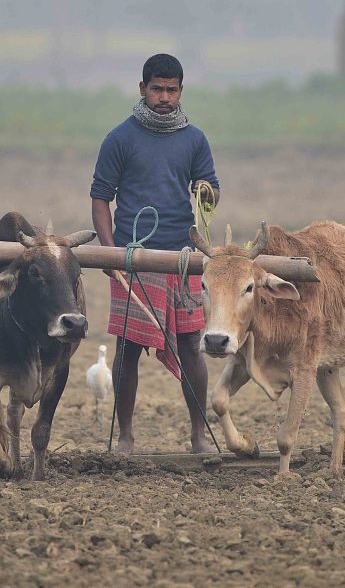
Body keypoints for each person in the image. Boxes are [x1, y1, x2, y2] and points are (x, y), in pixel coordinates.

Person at [90, 53, 220, 455]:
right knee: (127, 348)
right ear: (142, 89)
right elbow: (100, 198)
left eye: (171, 90)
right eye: (157, 89)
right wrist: (111, 255)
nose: (164, 98)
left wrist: (206, 193)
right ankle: (125, 436)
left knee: (191, 345)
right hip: (133, 257)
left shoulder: (195, 139)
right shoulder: (120, 138)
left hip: (182, 258)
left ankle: (198, 436)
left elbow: (210, 191)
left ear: (181, 92)